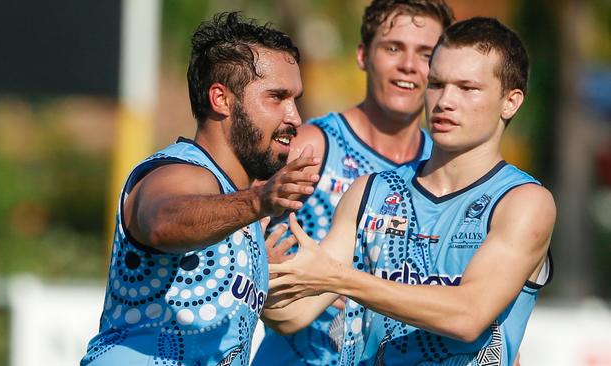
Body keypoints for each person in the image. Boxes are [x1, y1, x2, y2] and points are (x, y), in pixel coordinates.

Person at [265, 17, 555, 365]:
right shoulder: (370, 192)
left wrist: (339, 278)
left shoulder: (523, 202)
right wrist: (266, 277)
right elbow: (293, 315)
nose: (445, 100)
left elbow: (468, 316)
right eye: (436, 83)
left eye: (467, 88)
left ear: (510, 102)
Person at [80, 12, 320, 366]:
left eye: (295, 99)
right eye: (276, 97)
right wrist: (260, 200)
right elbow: (162, 222)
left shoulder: (238, 209)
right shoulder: (183, 170)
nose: (294, 117)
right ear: (220, 99)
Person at [254, 1, 453, 365]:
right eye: (393, 48)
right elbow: (235, 229)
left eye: (426, 53)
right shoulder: (311, 148)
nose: (408, 65)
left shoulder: (446, 166)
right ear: (363, 55)